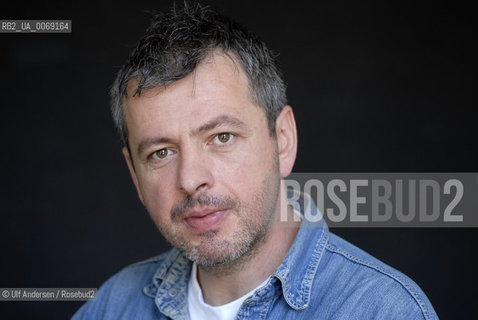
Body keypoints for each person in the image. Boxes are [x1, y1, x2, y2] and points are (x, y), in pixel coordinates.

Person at [73, 3, 438, 319]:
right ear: (135, 176)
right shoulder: (111, 307)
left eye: (221, 137)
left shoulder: (384, 311)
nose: (190, 179)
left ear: (283, 140)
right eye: (161, 153)